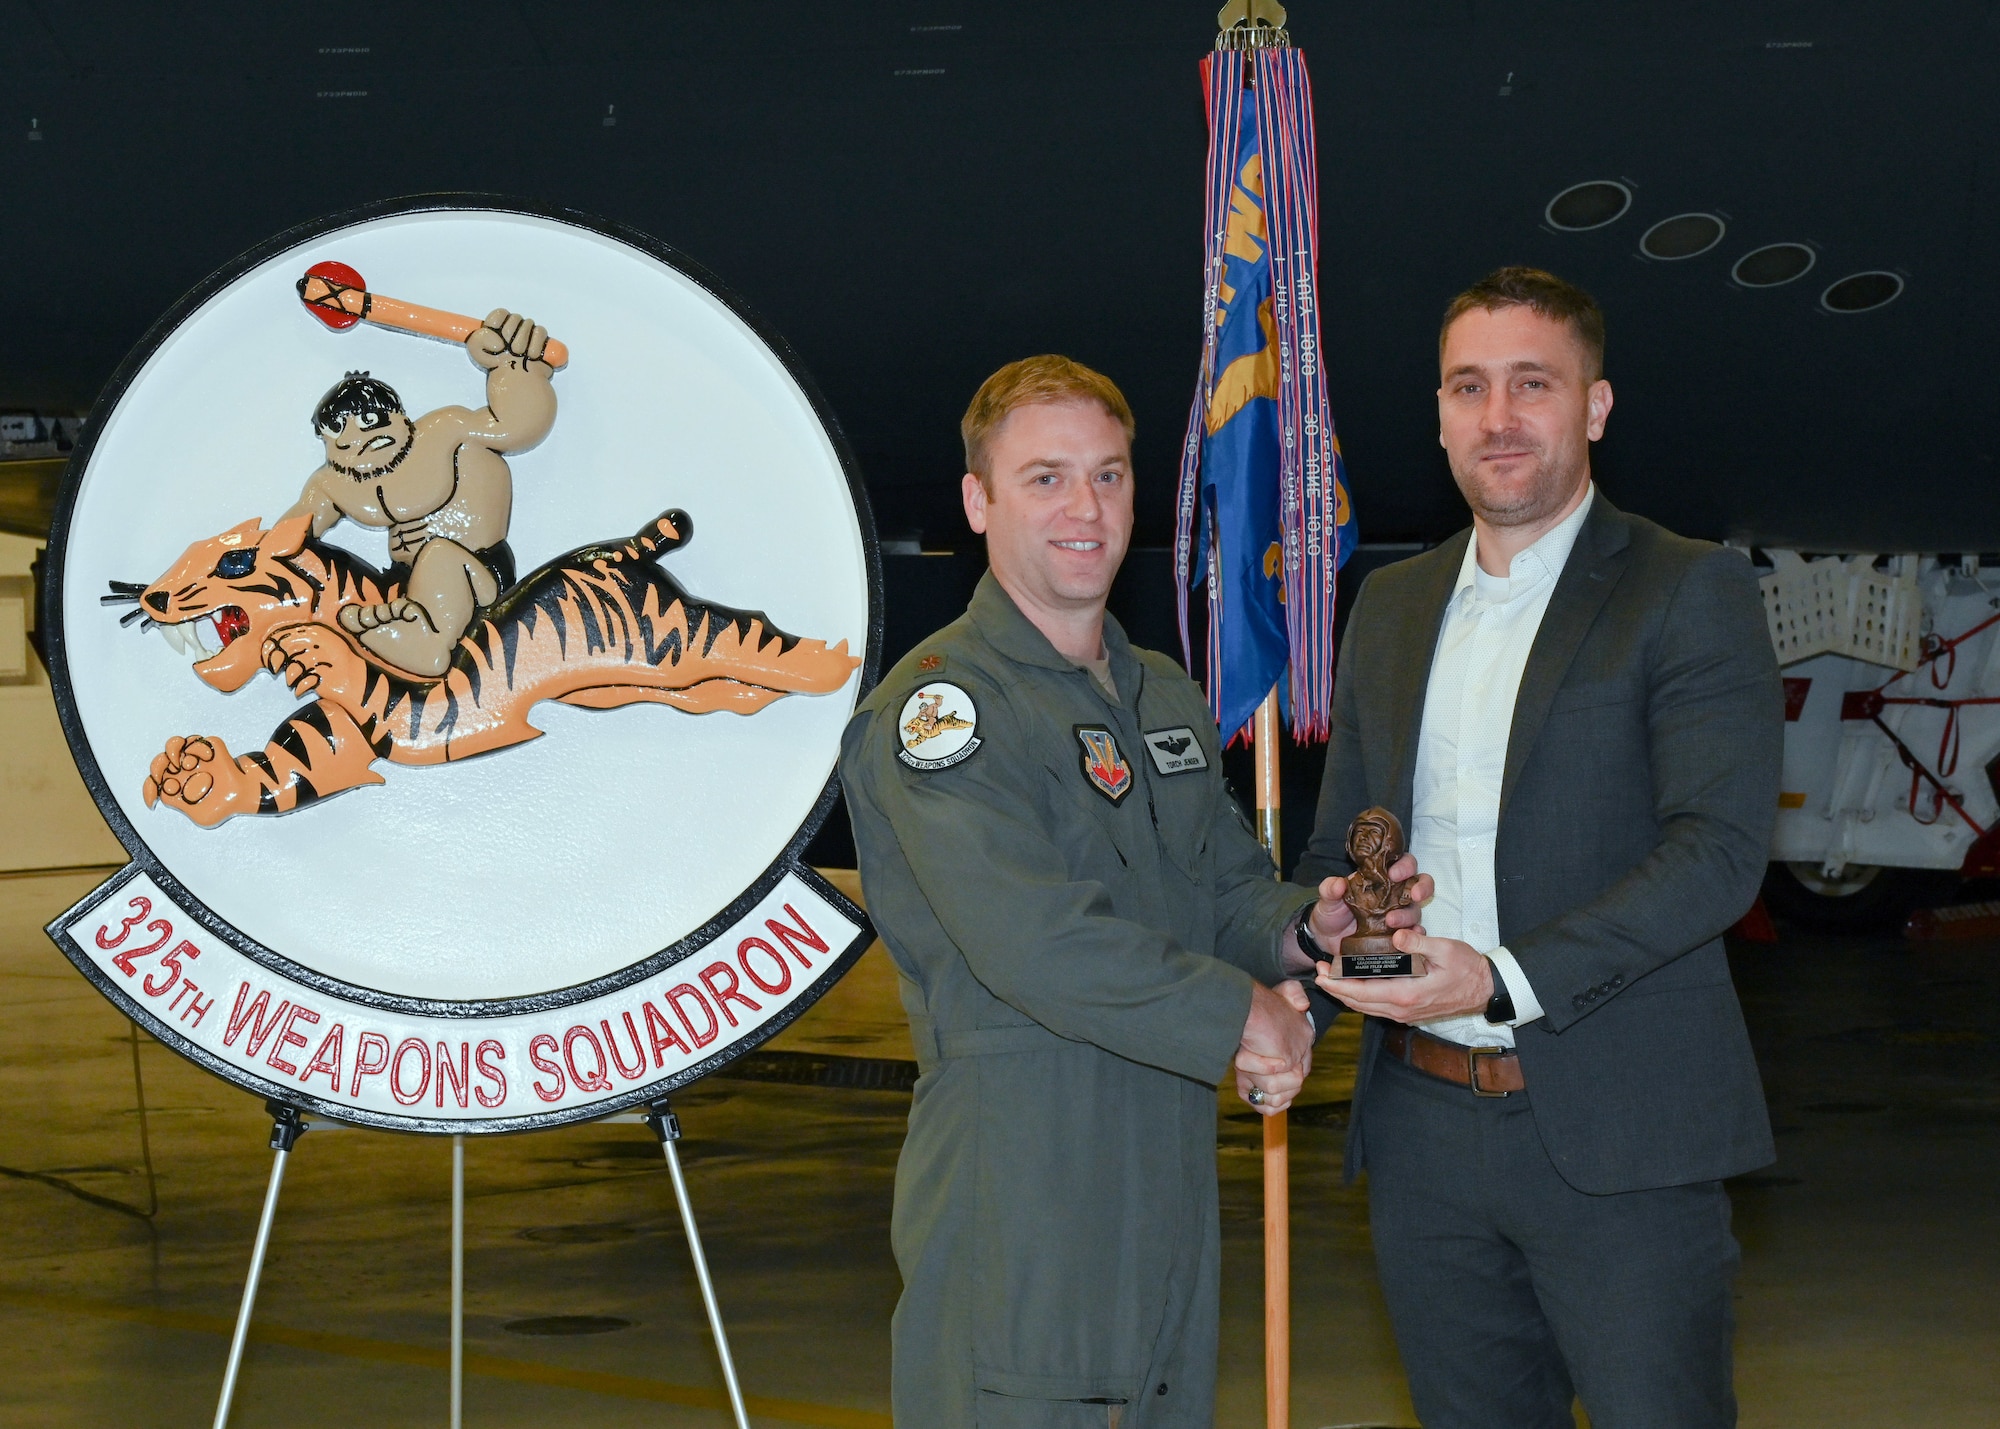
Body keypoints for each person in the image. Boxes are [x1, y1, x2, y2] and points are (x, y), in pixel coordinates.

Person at [841, 355, 1408, 1428]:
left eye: (1106, 475)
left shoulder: (1162, 692)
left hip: (1166, 1166)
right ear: (978, 500)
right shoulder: (942, 711)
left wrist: (1303, 930)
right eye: (1045, 478)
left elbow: (1220, 887)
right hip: (1023, 1171)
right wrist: (1238, 1014)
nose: (1084, 507)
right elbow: (1034, 941)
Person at [1292, 267, 1782, 1428]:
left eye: (1530, 384)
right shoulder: (1392, 607)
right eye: (1469, 386)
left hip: (1619, 1137)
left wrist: (1502, 979)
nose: (1496, 417)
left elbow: (1715, 851)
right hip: (1417, 1139)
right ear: (1439, 411)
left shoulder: (1685, 587)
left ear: (1594, 406)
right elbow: (1337, 839)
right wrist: (1306, 951)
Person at [286, 308, 557, 675]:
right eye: (339, 432)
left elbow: (514, 426)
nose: (356, 440)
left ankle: (429, 644)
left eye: (369, 422)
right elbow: (287, 539)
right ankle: (401, 631)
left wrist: (513, 368)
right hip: (403, 590)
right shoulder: (332, 482)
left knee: (439, 555)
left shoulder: (445, 432)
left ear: (398, 416)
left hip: (476, 572)